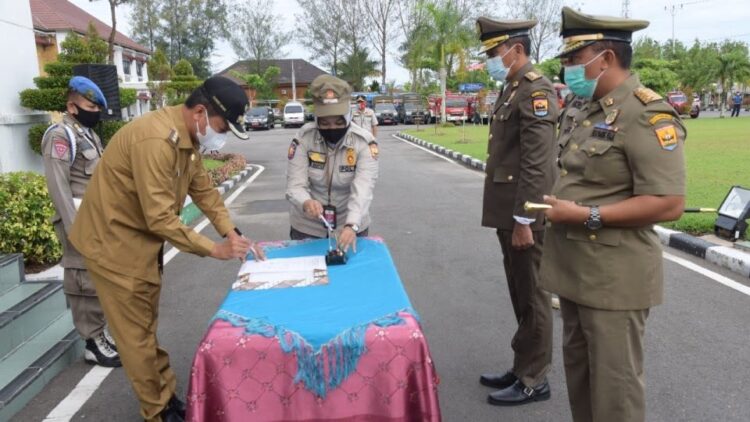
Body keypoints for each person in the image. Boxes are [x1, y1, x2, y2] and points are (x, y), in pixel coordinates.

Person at [68, 76, 266, 422]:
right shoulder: (156, 140)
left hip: (138, 243)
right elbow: (160, 218)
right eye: (222, 127)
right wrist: (214, 249)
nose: (220, 137)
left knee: (144, 329)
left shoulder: (186, 139)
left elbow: (204, 191)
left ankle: (165, 397)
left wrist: (231, 233)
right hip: (113, 246)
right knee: (136, 338)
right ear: (201, 112)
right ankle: (157, 411)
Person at [539, 7, 686, 422]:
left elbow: (668, 202)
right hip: (575, 271)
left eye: (573, 59)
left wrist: (585, 214)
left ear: (603, 59)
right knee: (582, 382)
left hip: (614, 278)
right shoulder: (586, 109)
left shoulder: (646, 114)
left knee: (614, 393)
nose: (567, 68)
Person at [475, 17, 559, 406]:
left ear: (516, 50)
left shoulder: (534, 90)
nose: (492, 60)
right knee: (519, 293)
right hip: (508, 214)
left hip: (523, 216)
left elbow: (538, 162)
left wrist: (525, 219)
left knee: (534, 297)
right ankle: (522, 364)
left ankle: (534, 379)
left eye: (495, 53)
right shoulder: (511, 88)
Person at [41, 76, 121, 368]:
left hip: (95, 221)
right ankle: (91, 342)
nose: (95, 112)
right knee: (83, 282)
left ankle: (100, 333)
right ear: (71, 106)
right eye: (90, 106)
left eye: (97, 107)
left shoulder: (87, 134)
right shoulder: (60, 136)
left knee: (97, 279)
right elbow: (59, 186)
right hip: (77, 222)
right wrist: (76, 232)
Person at [286, 75, 379, 253]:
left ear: (348, 115)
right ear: (316, 118)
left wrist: (352, 224)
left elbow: (363, 188)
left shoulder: (364, 143)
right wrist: (305, 202)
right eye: (324, 122)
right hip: (307, 228)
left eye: (338, 122)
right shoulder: (303, 139)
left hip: (351, 225)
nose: (332, 128)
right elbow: (294, 185)